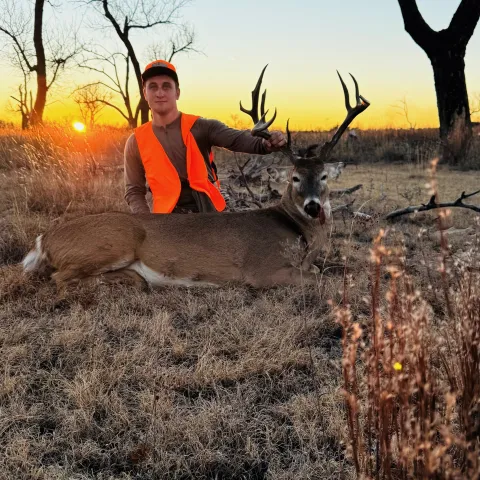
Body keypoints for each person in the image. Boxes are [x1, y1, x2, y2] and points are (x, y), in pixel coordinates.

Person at [124, 59, 287, 214]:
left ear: (177, 93)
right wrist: (147, 221)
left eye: (166, 86)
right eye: (153, 87)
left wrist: (265, 142)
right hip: (167, 221)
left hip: (209, 215)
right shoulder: (136, 141)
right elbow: (134, 191)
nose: (160, 93)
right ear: (144, 93)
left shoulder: (201, 127)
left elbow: (237, 139)